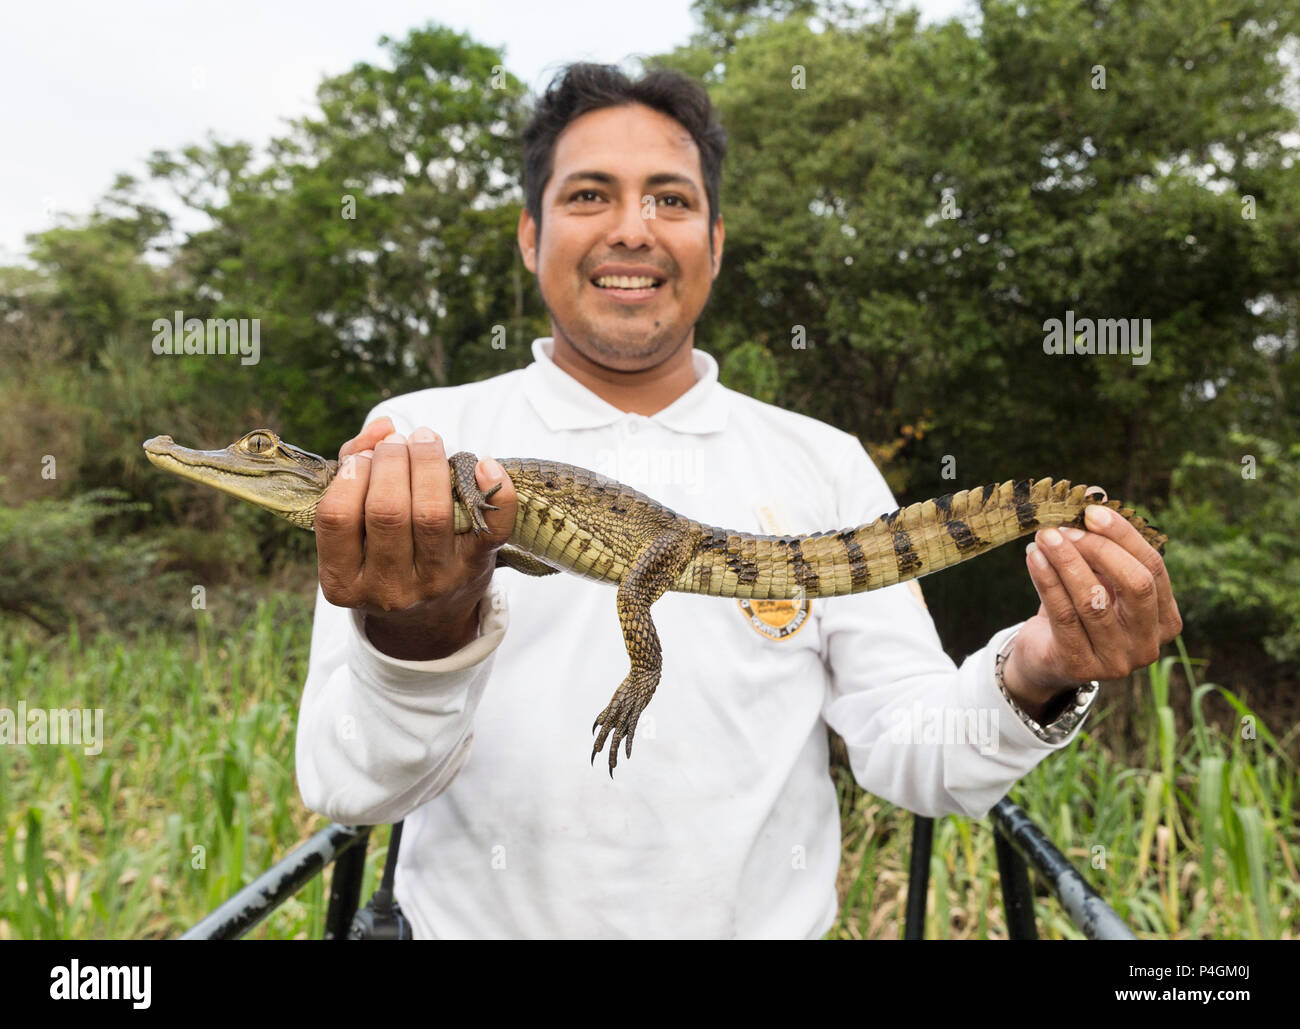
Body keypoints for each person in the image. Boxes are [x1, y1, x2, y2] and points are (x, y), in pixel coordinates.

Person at [295, 63, 1183, 938]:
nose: (633, 229)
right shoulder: (414, 440)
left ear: (715, 240)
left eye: (670, 199)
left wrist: (1039, 668)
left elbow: (912, 746)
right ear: (531, 234)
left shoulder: (822, 461)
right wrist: (423, 630)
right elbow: (347, 784)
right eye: (589, 195)